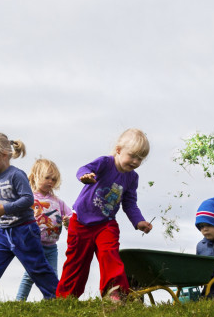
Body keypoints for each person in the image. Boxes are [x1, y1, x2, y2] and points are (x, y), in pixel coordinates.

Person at [56, 128, 153, 301]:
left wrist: (139, 222)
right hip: (81, 221)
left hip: (106, 224)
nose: (135, 161)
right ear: (118, 150)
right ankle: (66, 297)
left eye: (140, 158)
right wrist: (84, 176)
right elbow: (84, 168)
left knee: (110, 255)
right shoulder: (105, 163)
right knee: (77, 261)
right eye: (132, 155)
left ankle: (114, 294)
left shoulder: (132, 178)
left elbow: (130, 203)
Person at [0, 134, 58, 304]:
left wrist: (5, 208)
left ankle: (56, 295)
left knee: (36, 266)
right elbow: (0, 207)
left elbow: (28, 200)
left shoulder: (16, 175)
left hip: (24, 229)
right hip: (3, 232)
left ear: (4, 154)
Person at [16, 158, 72, 301]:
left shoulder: (58, 202)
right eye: (47, 178)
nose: (50, 182)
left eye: (53, 179)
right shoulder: (29, 198)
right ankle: (19, 301)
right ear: (35, 176)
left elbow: (71, 216)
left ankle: (51, 300)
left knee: (52, 274)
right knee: (30, 275)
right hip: (34, 245)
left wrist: (68, 220)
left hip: (52, 246)